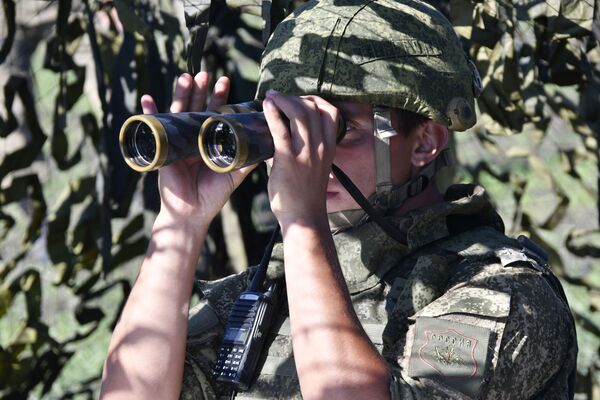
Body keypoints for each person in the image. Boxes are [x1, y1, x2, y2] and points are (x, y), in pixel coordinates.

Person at [100, 0, 577, 399]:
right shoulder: (264, 296)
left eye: (339, 129)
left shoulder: (504, 295)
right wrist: (181, 224)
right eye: (285, 127)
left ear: (425, 140)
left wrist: (304, 225)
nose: (305, 152)